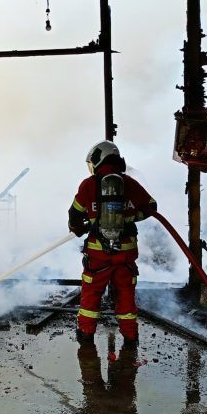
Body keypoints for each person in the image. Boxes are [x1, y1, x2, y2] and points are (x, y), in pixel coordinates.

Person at [67, 140, 157, 344]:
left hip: (98, 256)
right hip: (125, 256)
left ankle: (86, 335)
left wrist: (78, 227)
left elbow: (74, 213)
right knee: (125, 297)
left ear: (97, 159)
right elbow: (152, 207)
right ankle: (130, 337)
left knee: (91, 295)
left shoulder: (88, 185)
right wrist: (130, 218)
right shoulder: (130, 184)